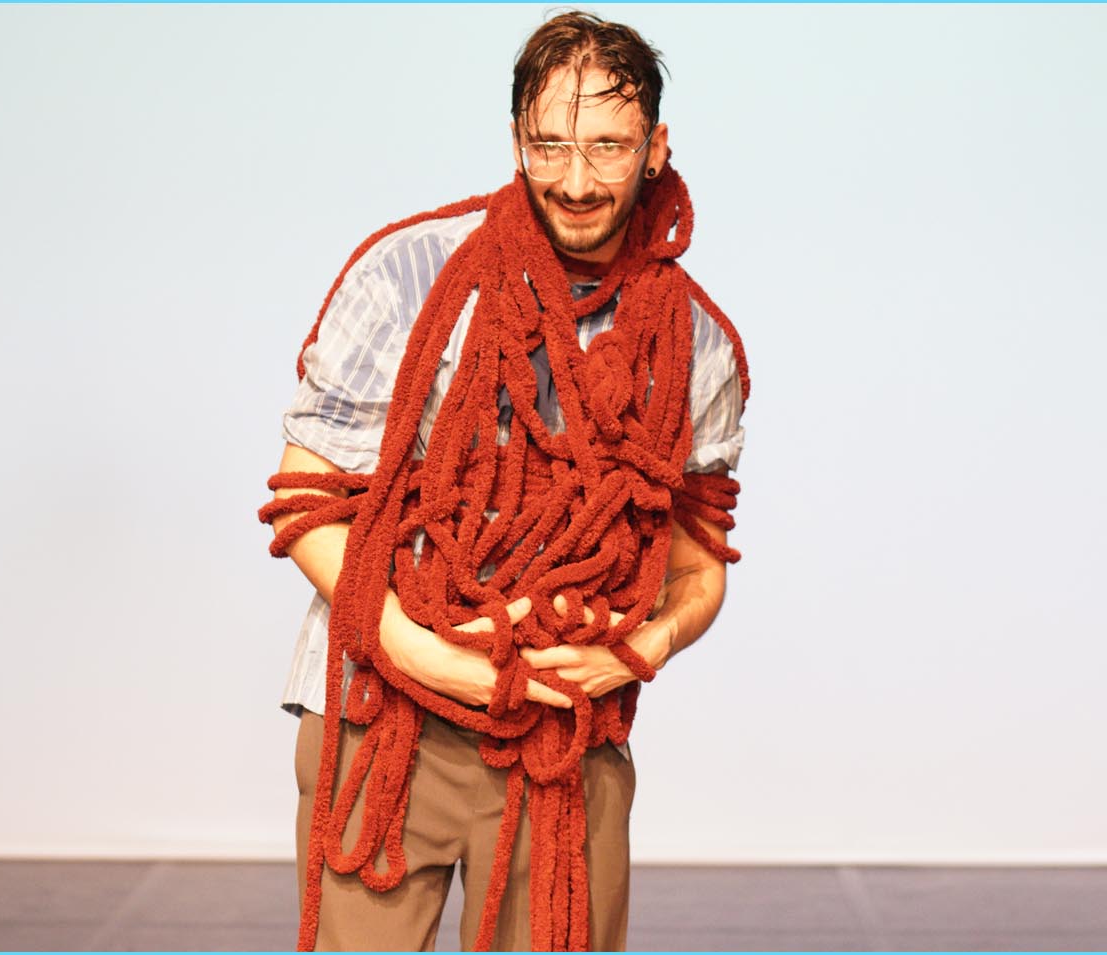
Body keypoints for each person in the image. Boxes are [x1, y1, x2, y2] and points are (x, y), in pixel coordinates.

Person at [259, 10, 748, 952]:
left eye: (608, 147)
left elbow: (696, 567)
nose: (576, 180)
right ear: (516, 139)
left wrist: (636, 651)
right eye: (550, 145)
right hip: (381, 716)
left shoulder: (696, 344)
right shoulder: (409, 275)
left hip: (565, 737)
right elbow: (306, 498)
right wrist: (427, 654)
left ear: (655, 148)